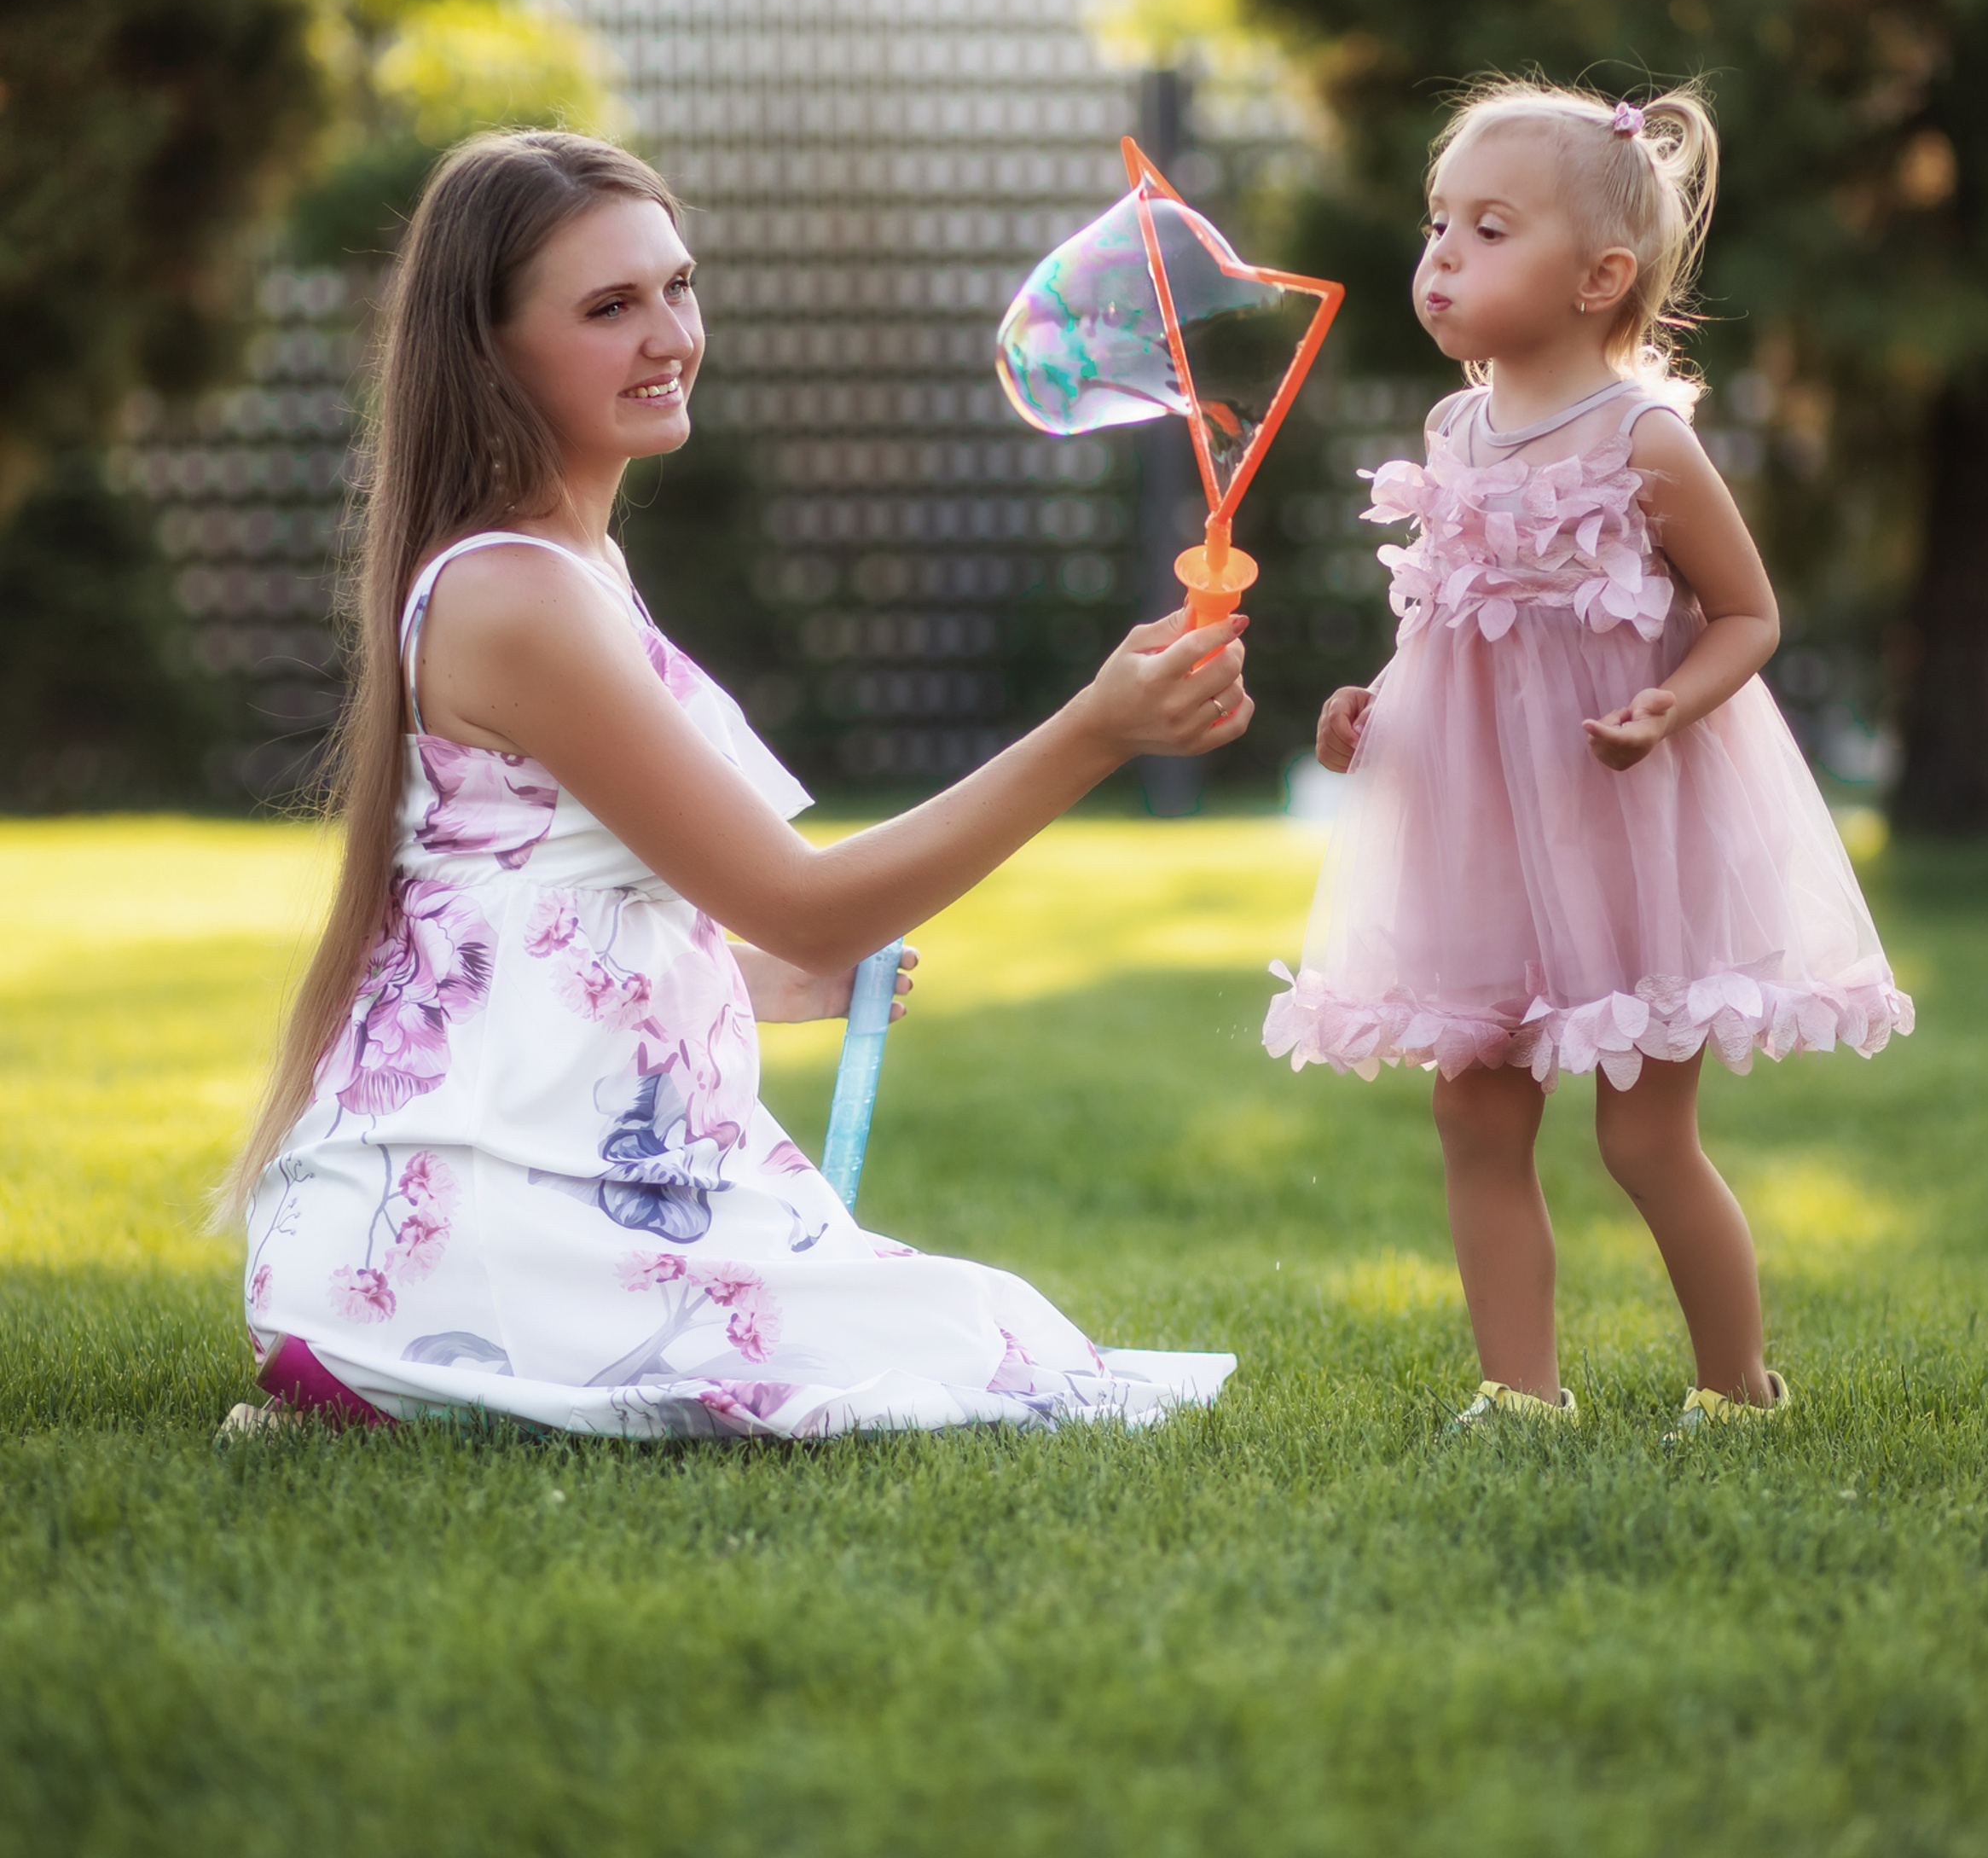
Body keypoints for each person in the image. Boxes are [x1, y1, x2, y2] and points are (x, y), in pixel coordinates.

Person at [220, 129, 1251, 1441]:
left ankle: (389, 1372)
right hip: (463, 1242)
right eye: (609, 307)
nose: (670, 336)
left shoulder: (564, 571)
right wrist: (1095, 734)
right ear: (491, 352)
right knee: (982, 1354)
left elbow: (528, 912)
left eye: (678, 285)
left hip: (469, 1214)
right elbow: (809, 907)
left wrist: (744, 982)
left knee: (978, 1333)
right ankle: (398, 1378)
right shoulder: (516, 597)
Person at [1263, 82, 1912, 1438]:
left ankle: (1738, 1388)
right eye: (1438, 224)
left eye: (1488, 230)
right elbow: (1453, 625)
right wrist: (1371, 705)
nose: (1442, 255)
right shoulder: (1452, 435)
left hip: (1626, 830)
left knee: (1643, 1137)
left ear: (1599, 278)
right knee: (1474, 1114)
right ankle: (1520, 1393)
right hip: (1485, 828)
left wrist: (1667, 706)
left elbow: (1748, 616)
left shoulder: (1641, 441)